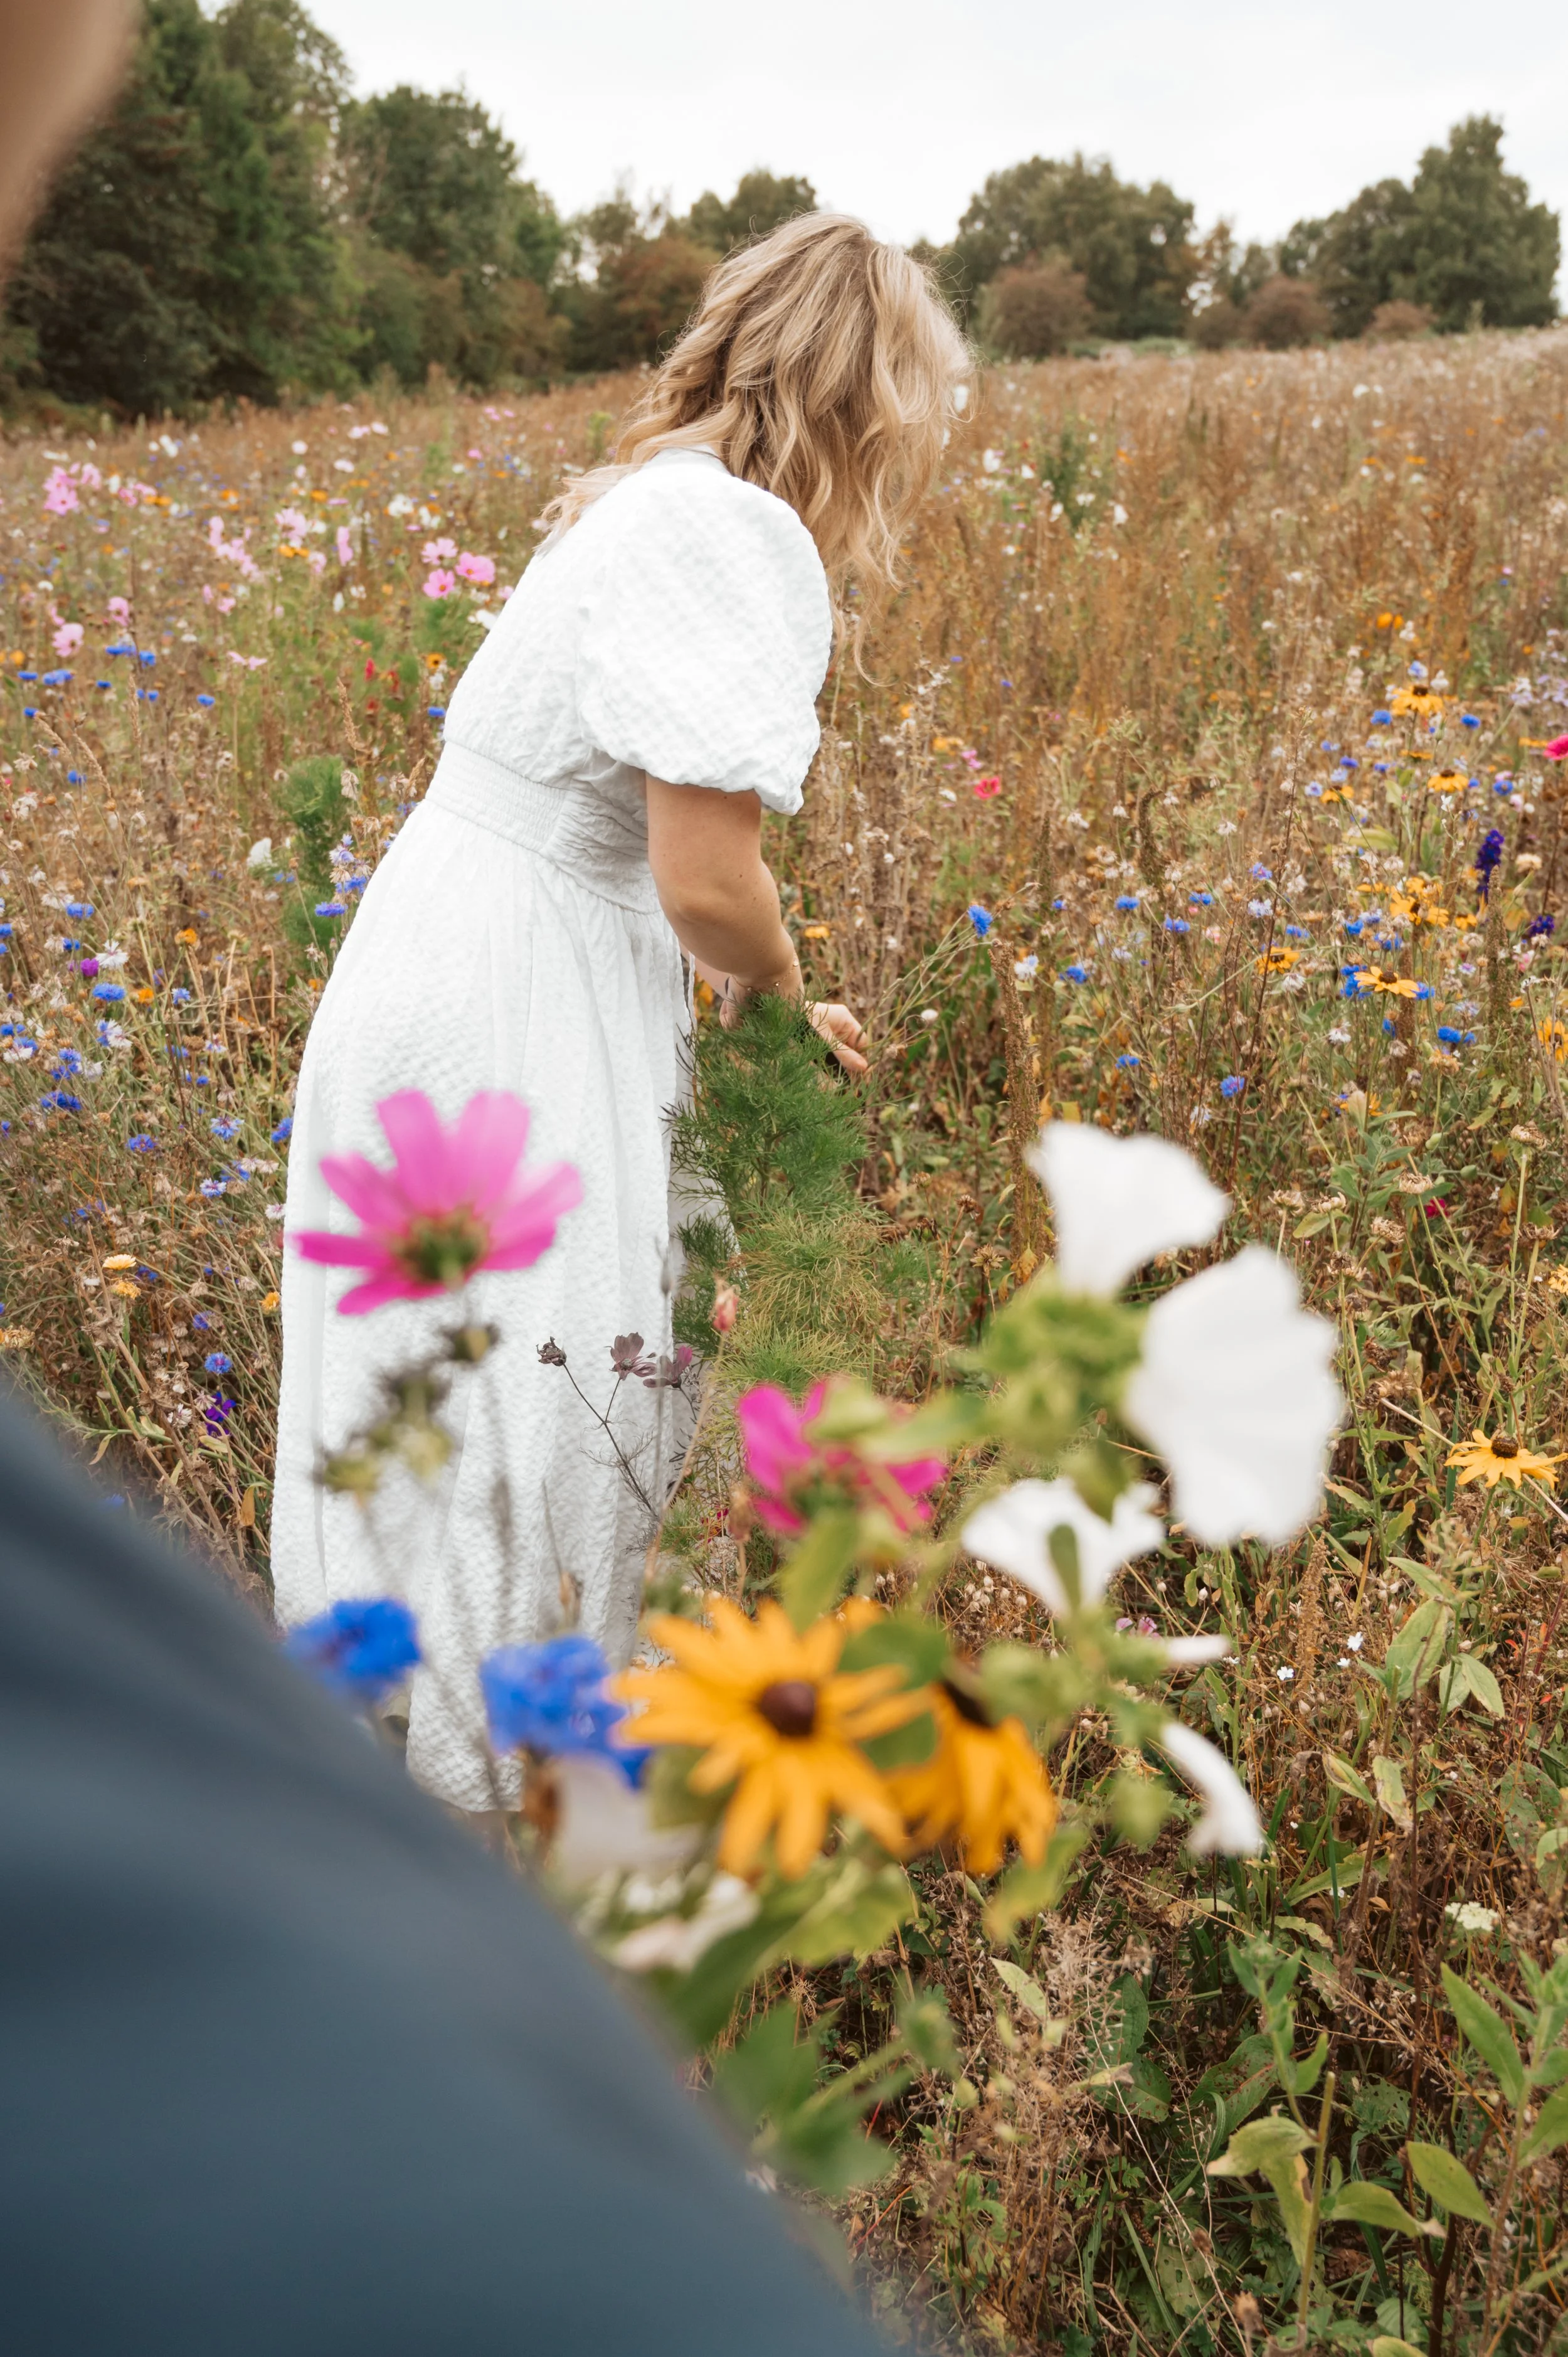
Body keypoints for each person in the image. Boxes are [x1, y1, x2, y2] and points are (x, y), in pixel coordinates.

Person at [272, 216, 970, 1811]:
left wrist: (737, 985)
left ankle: (379, 1781)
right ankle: (507, 1818)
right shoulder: (730, 533)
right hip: (519, 993)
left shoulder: (641, 506)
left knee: (434, 1395)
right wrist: (782, 1006)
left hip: (444, 951)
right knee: (550, 1391)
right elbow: (707, 875)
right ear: (863, 397)